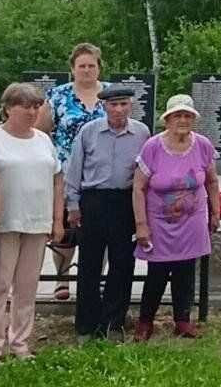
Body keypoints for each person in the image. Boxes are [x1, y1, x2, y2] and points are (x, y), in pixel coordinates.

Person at [0, 83, 65, 363]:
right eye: (25, 106)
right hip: (4, 224)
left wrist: (57, 219)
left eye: (36, 106)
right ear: (7, 108)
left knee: (27, 288)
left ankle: (20, 344)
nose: (31, 111)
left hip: (37, 222)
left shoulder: (43, 139)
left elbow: (57, 179)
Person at [66, 85, 149, 341]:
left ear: (130, 106)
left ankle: (113, 323)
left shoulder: (141, 133)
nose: (119, 109)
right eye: (114, 105)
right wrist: (73, 205)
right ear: (104, 107)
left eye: (124, 104)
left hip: (124, 201)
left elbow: (146, 171)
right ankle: (86, 325)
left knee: (122, 264)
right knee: (89, 265)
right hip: (94, 201)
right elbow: (75, 169)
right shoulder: (89, 132)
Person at [132, 95, 219, 341]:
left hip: (192, 222)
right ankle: (145, 322)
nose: (182, 120)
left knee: (186, 272)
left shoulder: (202, 145)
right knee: (157, 273)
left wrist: (215, 212)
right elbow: (138, 187)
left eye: (187, 115)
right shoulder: (153, 147)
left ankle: (183, 321)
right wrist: (141, 225)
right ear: (167, 120)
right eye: (177, 116)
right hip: (159, 222)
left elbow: (212, 181)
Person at [35, 42, 108, 300]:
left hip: (103, 174)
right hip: (66, 173)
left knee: (100, 229)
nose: (86, 70)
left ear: (99, 68)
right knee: (65, 228)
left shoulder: (111, 94)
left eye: (91, 65)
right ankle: (62, 278)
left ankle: (97, 278)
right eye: (81, 66)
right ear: (72, 69)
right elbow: (40, 132)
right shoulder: (57, 96)